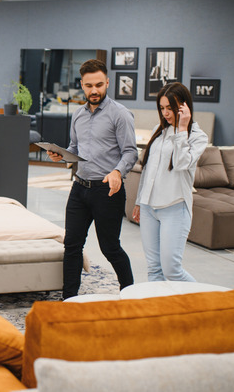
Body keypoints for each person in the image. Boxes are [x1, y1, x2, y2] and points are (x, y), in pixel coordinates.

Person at [47, 59, 138, 299]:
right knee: (72, 246)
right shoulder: (78, 114)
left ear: (107, 83)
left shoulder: (120, 114)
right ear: (82, 85)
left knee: (110, 248)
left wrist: (118, 172)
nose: (94, 90)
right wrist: (62, 155)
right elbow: (75, 147)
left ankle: (130, 296)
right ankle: (69, 299)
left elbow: (131, 151)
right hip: (79, 189)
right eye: (89, 86)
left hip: (107, 191)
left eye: (99, 84)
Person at [132, 82, 208, 282]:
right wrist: (140, 201)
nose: (165, 113)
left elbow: (182, 163)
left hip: (175, 208)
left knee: (172, 270)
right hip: (149, 208)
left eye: (170, 108)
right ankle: (160, 312)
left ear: (184, 107)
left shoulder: (198, 136)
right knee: (154, 269)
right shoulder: (158, 130)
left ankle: (206, 304)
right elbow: (148, 169)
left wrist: (182, 129)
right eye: (162, 108)